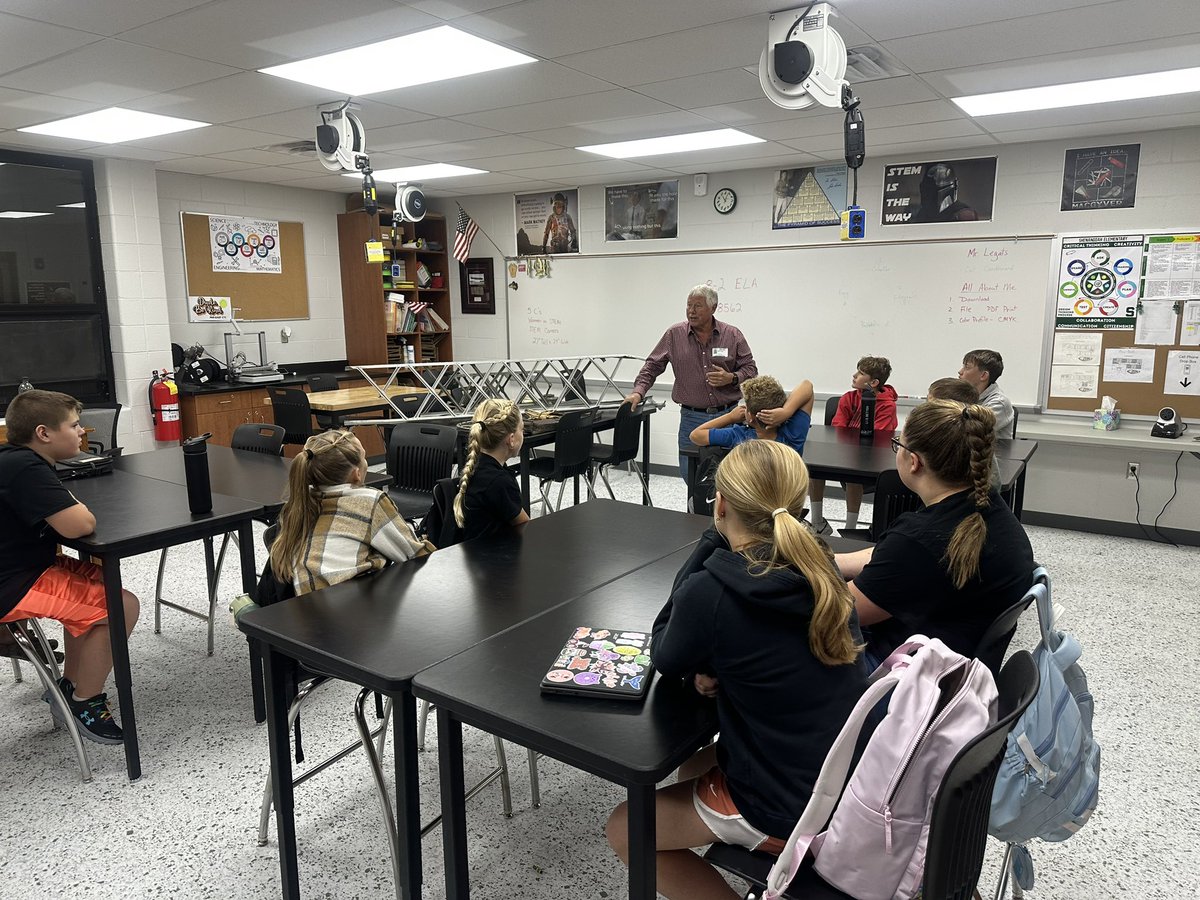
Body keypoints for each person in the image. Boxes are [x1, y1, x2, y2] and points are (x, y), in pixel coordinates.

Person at [604, 440, 865, 900]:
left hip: (786, 809)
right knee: (695, 762)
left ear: (720, 503)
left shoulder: (714, 592)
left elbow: (665, 649)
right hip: (846, 786)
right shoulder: (821, 568)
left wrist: (711, 536)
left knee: (624, 829)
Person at [834, 400, 1034, 672]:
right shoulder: (988, 509)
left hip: (901, 678)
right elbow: (888, 560)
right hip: (955, 667)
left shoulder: (921, 539)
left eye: (898, 444)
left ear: (914, 461)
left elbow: (839, 612)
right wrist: (828, 561)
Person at [0, 390, 140, 745]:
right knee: (121, 605)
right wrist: (75, 506)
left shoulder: (15, 459)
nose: (83, 432)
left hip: (24, 564)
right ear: (44, 433)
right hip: (13, 581)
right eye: (75, 425)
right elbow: (79, 525)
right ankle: (85, 702)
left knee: (105, 580)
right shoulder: (26, 468)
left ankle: (69, 685)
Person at [268, 429, 430, 596]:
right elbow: (415, 555)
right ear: (357, 474)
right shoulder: (369, 502)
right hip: (353, 611)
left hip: (307, 610)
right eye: (364, 458)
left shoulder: (300, 503)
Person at [625, 284, 757, 480]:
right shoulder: (674, 335)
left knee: (731, 477)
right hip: (691, 418)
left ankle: (722, 511)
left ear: (713, 308)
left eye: (698, 306)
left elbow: (751, 370)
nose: (691, 311)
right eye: (688, 305)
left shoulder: (732, 335)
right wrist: (638, 391)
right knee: (691, 474)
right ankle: (694, 510)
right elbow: (652, 366)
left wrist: (732, 378)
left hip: (728, 416)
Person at [808, 356, 898, 535]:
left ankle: (849, 528)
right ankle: (817, 522)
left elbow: (879, 435)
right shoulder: (848, 398)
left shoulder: (887, 406)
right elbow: (838, 428)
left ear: (873, 382)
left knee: (852, 478)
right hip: (844, 450)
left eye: (861, 373)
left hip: (870, 457)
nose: (854, 375)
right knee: (814, 470)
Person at [454, 399, 531, 541]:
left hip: (470, 553)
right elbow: (526, 528)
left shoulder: (474, 467)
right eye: (522, 429)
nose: (523, 434)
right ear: (511, 439)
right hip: (490, 558)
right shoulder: (499, 482)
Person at [689, 375, 813, 455]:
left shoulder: (739, 436)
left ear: (750, 416)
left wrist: (730, 417)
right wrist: (786, 412)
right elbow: (807, 386)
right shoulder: (792, 435)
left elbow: (695, 435)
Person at [958, 348, 1014, 436]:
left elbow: (971, 431)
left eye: (967, 367)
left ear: (983, 375)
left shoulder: (999, 403)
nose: (960, 371)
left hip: (992, 449)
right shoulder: (963, 395)